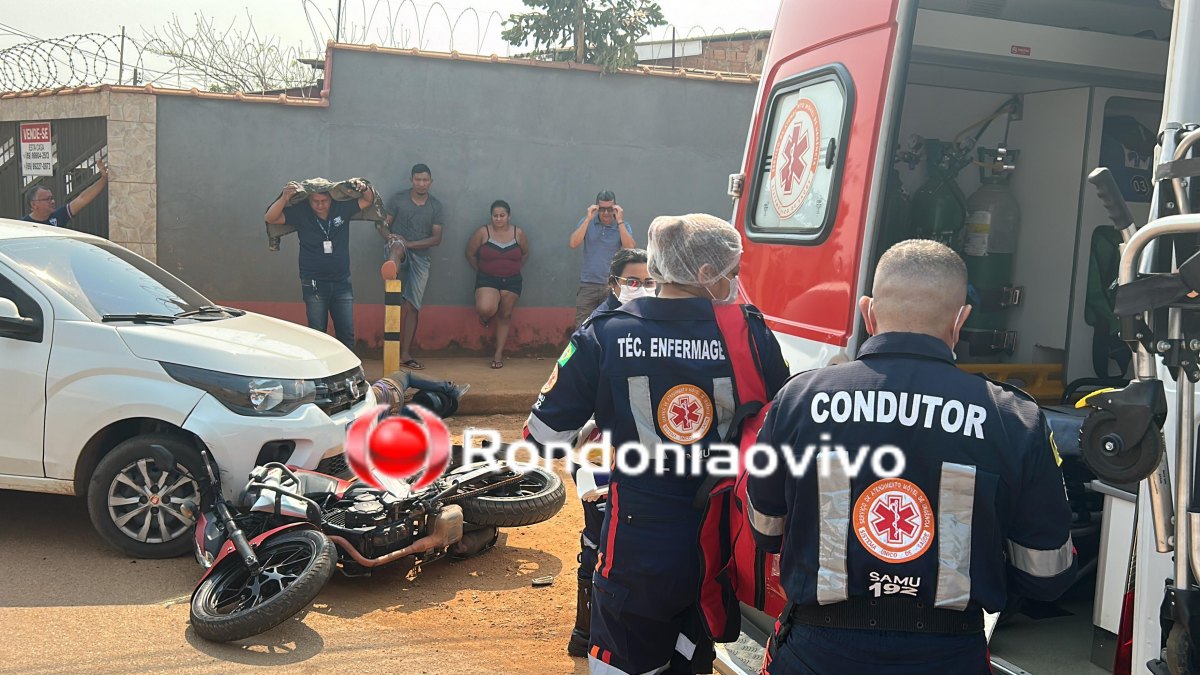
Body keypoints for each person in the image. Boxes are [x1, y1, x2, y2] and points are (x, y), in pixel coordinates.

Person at [747, 239, 1076, 674]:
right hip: (948, 653)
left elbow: (766, 527)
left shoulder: (799, 399)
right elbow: (1046, 575)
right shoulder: (1013, 417)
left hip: (817, 650)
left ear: (868, 312)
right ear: (961, 321)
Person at [525, 214, 788, 674]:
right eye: (731, 272)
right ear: (705, 274)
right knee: (692, 657)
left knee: (625, 658)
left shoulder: (604, 332)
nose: (735, 282)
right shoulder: (748, 333)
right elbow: (778, 421)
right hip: (719, 538)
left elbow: (545, 437)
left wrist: (602, 420)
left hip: (637, 537)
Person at [564, 246, 654, 657]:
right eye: (634, 282)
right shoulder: (597, 330)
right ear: (615, 284)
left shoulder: (660, 327)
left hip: (644, 456)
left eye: (650, 281)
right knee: (596, 541)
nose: (642, 289)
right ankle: (586, 632)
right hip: (598, 452)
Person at [264, 178, 375, 350]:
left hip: (342, 282)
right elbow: (271, 218)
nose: (320, 205)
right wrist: (284, 198)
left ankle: (350, 374)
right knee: (317, 333)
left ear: (331, 198)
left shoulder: (342, 208)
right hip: (314, 283)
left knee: (346, 333)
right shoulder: (301, 212)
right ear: (308, 199)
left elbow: (368, 200)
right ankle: (321, 375)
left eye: (324, 201)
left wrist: (365, 187)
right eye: (315, 201)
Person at [379, 163, 445, 370]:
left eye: (425, 180)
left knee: (412, 307)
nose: (421, 183)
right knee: (397, 246)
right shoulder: (399, 199)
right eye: (418, 180)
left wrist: (411, 243)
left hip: (421, 256)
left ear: (431, 182)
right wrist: (390, 237)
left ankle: (405, 354)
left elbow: (436, 238)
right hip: (399, 249)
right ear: (411, 180)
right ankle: (392, 268)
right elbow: (381, 224)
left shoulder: (435, 206)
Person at [465, 200, 530, 369]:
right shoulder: (483, 232)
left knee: (505, 315)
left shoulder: (518, 233)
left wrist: (513, 268)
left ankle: (498, 354)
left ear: (509, 216)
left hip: (512, 281)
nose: (499, 219)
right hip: (487, 279)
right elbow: (470, 253)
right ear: (491, 217)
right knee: (486, 308)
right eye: (495, 216)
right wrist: (481, 270)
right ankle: (486, 316)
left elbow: (525, 253)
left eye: (502, 216)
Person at [568, 190, 636, 329]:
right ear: (596, 208)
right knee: (582, 327)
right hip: (588, 285)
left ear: (615, 208)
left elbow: (630, 247)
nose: (606, 213)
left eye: (609, 209)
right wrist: (588, 219)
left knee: (609, 326)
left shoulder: (622, 225)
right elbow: (573, 243)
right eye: (602, 209)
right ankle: (582, 352)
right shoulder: (587, 223)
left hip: (611, 285)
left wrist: (620, 221)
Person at [23, 158, 110, 227]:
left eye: (52, 198)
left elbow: (82, 199)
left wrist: (103, 179)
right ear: (34, 204)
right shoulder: (23, 226)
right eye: (47, 199)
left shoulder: (58, 216)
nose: (52, 202)